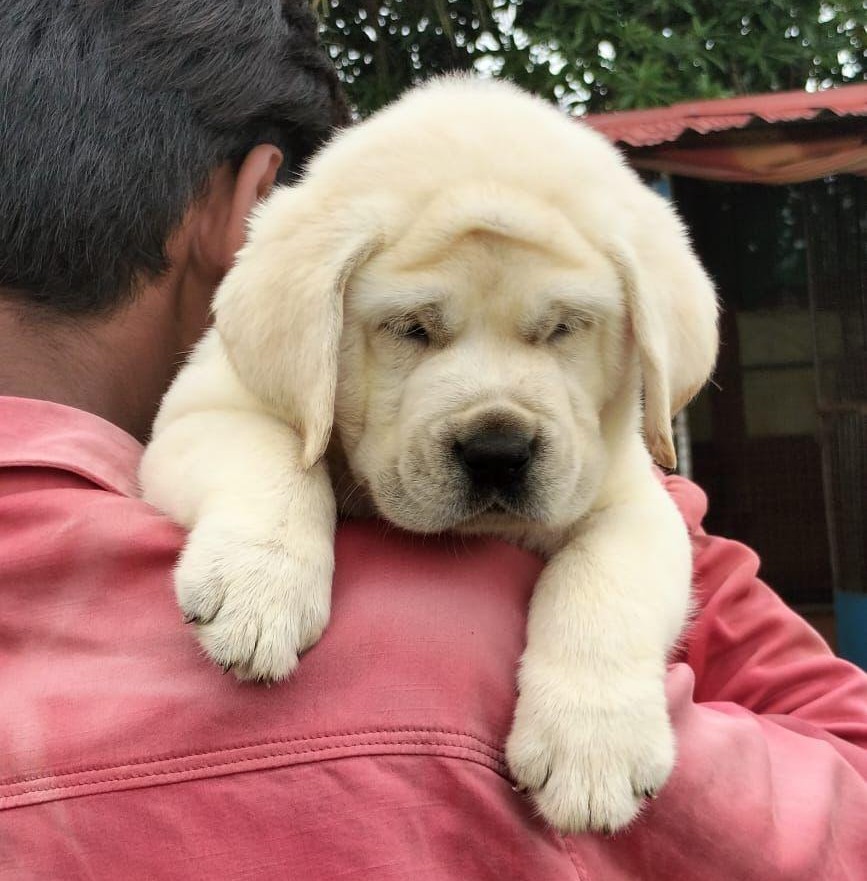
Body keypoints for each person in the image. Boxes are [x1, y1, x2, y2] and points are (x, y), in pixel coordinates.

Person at [0, 3, 865, 878]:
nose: (492, 421)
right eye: (411, 329)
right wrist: (269, 517)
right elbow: (214, 423)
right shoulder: (263, 355)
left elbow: (628, 525)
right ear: (293, 281)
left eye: (563, 328)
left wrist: (601, 672)